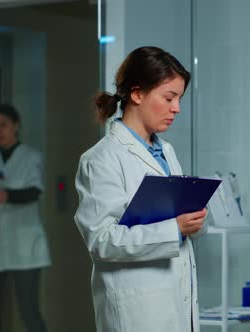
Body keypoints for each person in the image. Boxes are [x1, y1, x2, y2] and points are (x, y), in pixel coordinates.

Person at [74, 46, 206, 332]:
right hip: (136, 311)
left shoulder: (166, 151)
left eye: (179, 99)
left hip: (176, 304)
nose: (177, 108)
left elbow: (176, 223)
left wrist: (194, 220)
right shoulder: (101, 159)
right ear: (137, 94)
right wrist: (174, 229)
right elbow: (102, 240)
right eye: (169, 98)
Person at [0, 104, 51, 332]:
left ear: (16, 125)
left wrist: (8, 195)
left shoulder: (32, 157)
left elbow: (35, 191)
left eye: (3, 125)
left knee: (28, 310)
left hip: (25, 243)